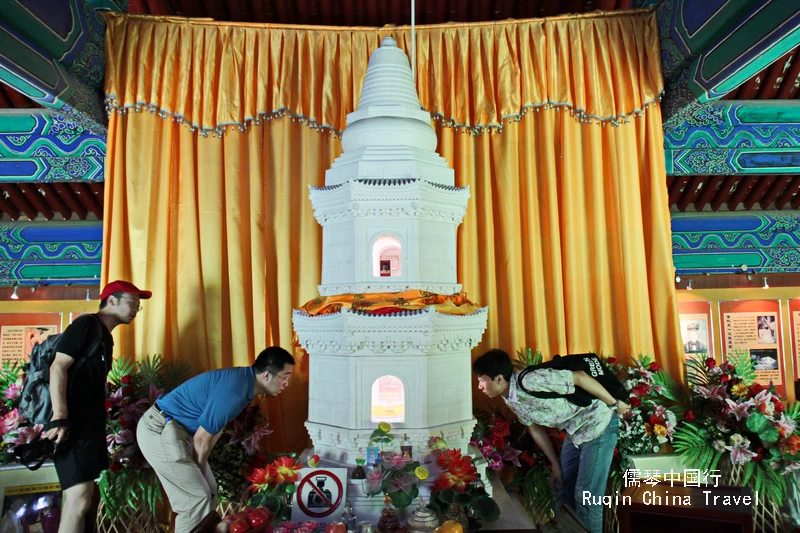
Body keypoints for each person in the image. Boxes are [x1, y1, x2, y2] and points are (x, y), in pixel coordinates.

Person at [137, 346, 295, 532]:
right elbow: (201, 440)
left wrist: (202, 472)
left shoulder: (243, 383)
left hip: (177, 431)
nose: (286, 383)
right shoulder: (235, 392)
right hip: (160, 430)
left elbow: (213, 431)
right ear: (267, 375)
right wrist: (199, 468)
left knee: (209, 492)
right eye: (285, 377)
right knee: (195, 500)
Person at [473, 349, 630, 533]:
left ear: (499, 379)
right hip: (576, 430)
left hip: (598, 422)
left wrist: (615, 404)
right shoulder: (509, 397)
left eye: (482, 380)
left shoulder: (530, 380)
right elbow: (534, 428)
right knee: (562, 487)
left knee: (587, 497)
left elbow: (580, 377)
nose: (480, 387)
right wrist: (555, 465)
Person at [43, 280, 151, 533]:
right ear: (112, 300)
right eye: (133, 303)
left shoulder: (105, 336)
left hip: (88, 425)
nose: (136, 309)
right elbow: (58, 367)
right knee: (79, 498)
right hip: (72, 424)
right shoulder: (86, 325)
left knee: (81, 499)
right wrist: (60, 417)